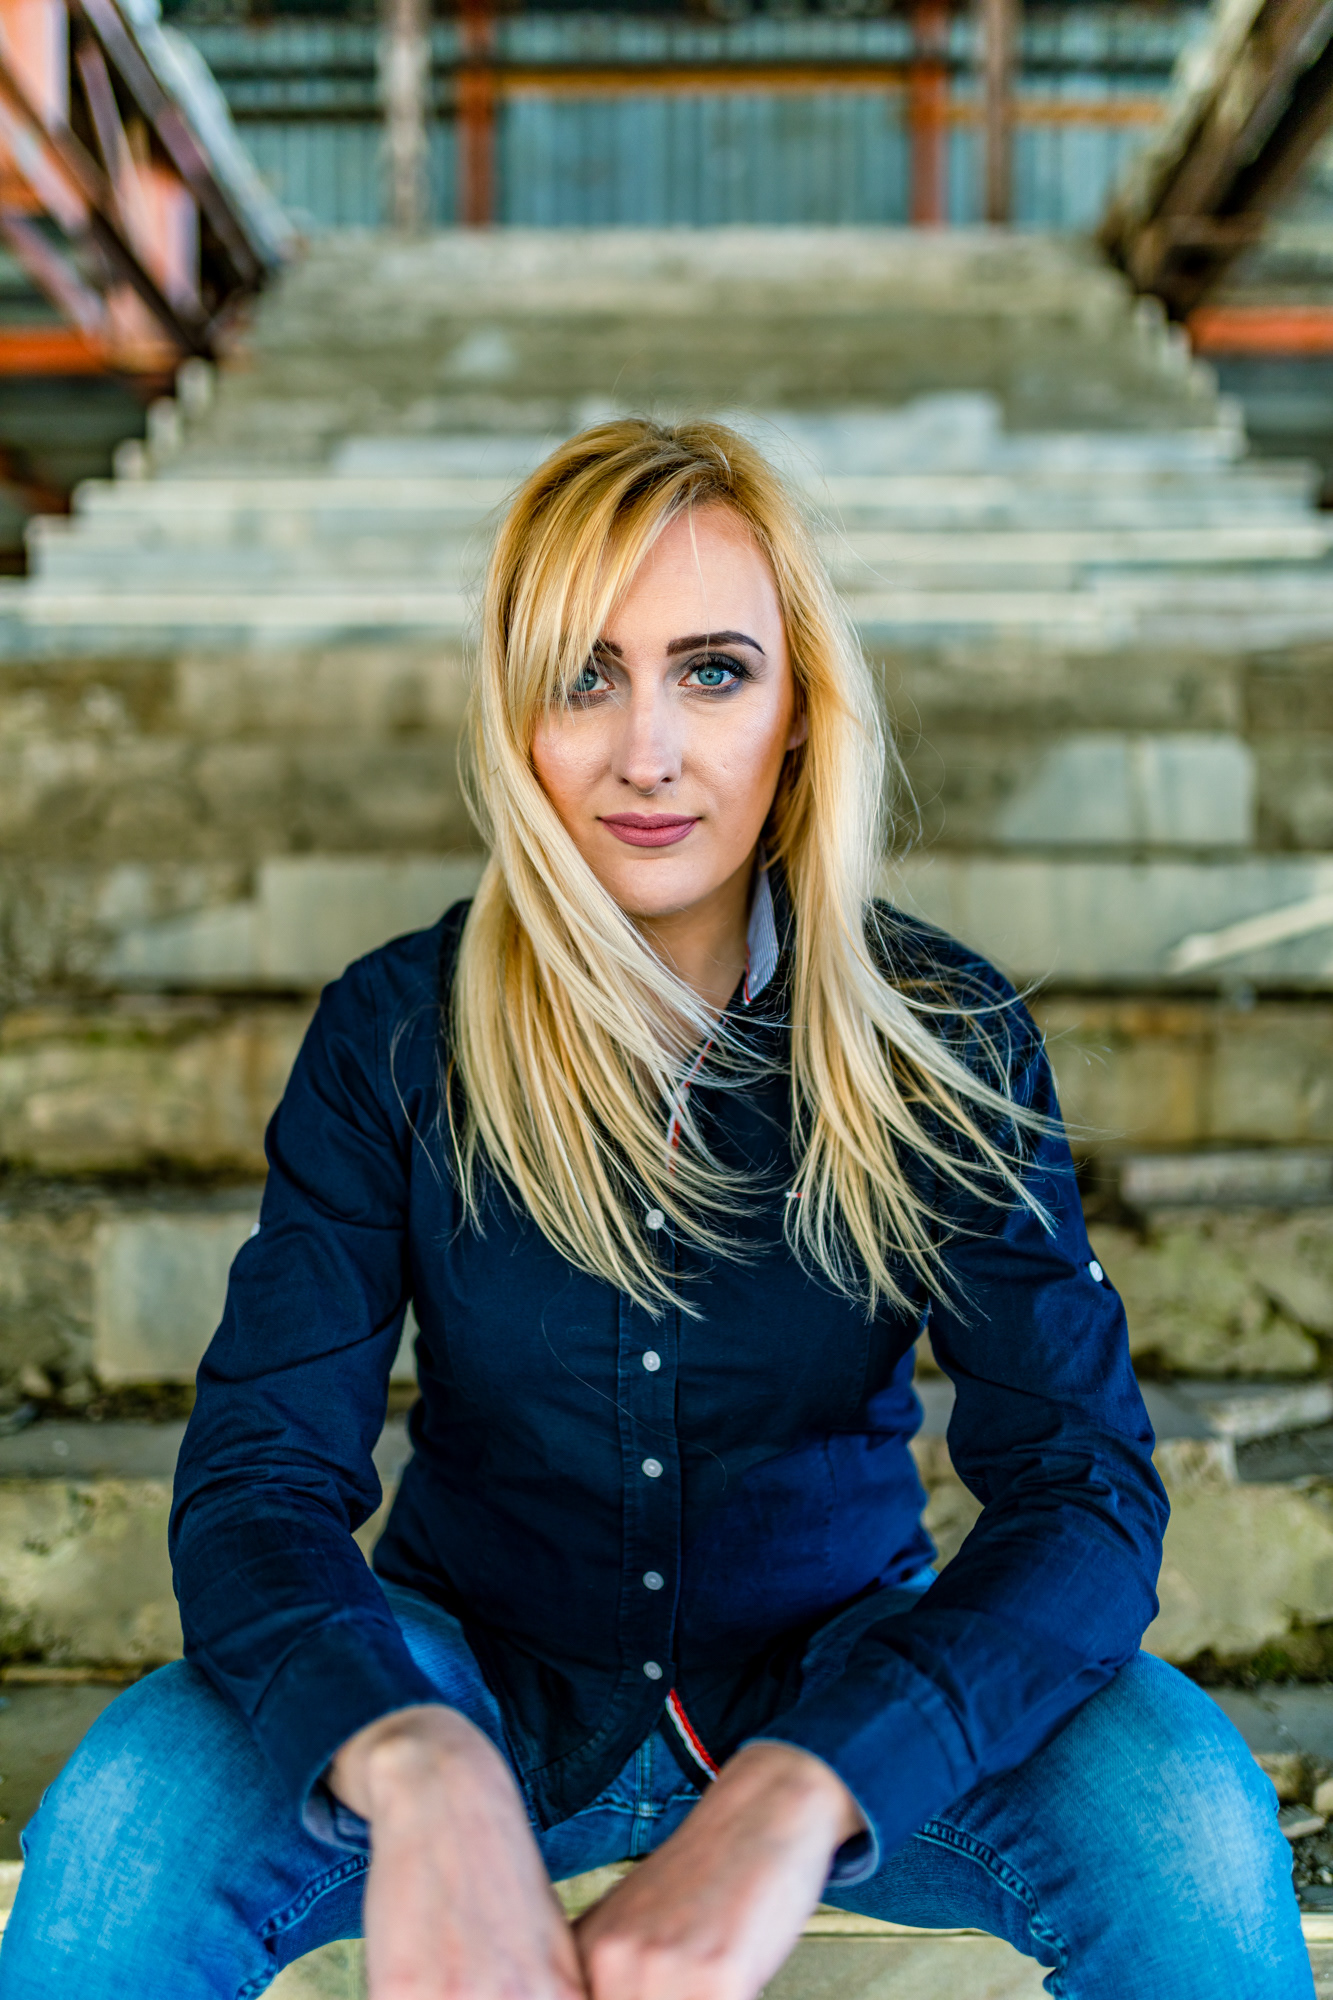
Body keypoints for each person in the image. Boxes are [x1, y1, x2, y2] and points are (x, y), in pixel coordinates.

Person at [0, 420, 1306, 2000]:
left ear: (797, 710)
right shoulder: (396, 1033)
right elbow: (258, 1480)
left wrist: (813, 1779)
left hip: (836, 1678)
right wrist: (409, 1752)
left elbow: (1081, 1486)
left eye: (712, 672)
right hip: (468, 1678)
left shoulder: (939, 1031)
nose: (646, 752)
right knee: (126, 1824)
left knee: (1182, 1816)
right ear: (516, 717)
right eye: (583, 678)